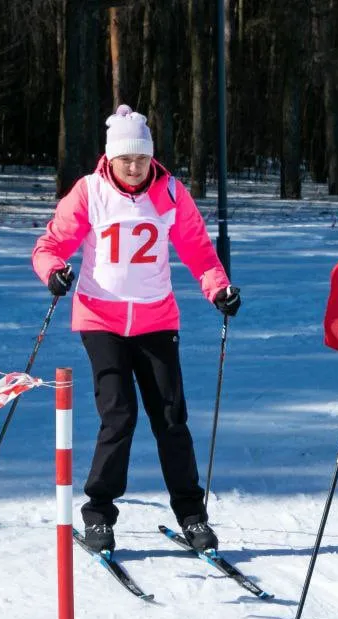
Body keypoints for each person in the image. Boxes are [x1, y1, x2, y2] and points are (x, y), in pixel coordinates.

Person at [31, 105, 241, 554]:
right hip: (100, 319)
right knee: (119, 414)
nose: (133, 167)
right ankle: (99, 516)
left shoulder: (170, 193)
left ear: (151, 157)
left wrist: (218, 289)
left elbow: (199, 252)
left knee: (170, 418)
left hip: (156, 319)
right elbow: (51, 244)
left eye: (141, 158)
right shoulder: (89, 192)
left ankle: (191, 515)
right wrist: (53, 271)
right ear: (110, 158)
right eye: (125, 159)